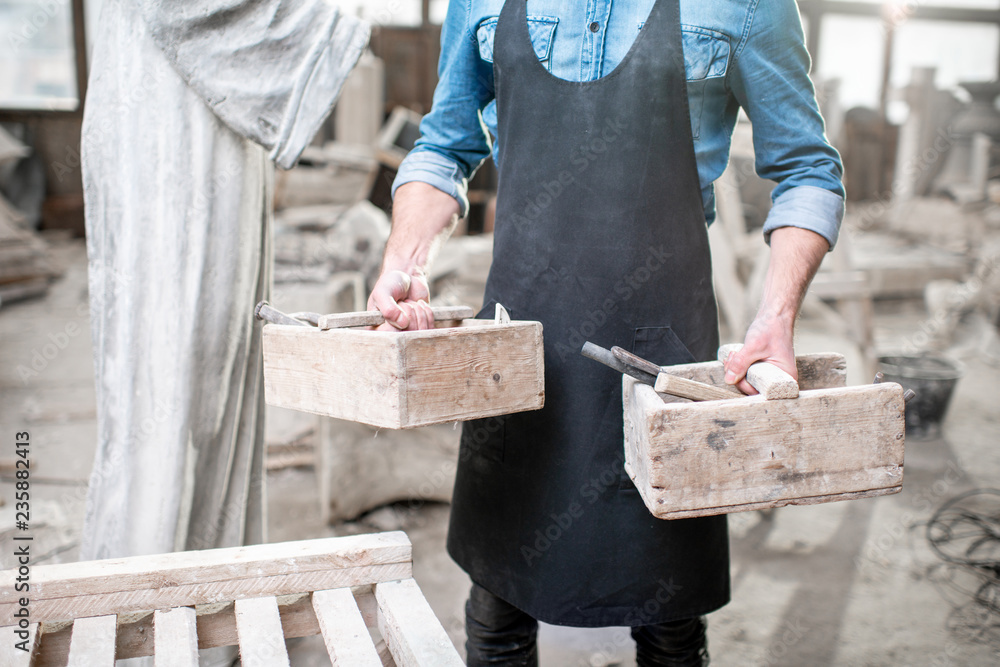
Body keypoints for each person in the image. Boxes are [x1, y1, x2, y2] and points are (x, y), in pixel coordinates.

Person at [369, 0, 844, 664]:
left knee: (670, 619)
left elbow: (808, 169)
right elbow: (445, 143)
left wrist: (777, 315)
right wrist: (404, 260)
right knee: (497, 605)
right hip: (517, 354)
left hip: (661, 359)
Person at [81, 1, 368, 560]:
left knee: (217, 370)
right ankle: (145, 617)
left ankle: (208, 600)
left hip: (211, 132)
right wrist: (330, 29)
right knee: (170, 382)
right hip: (173, 131)